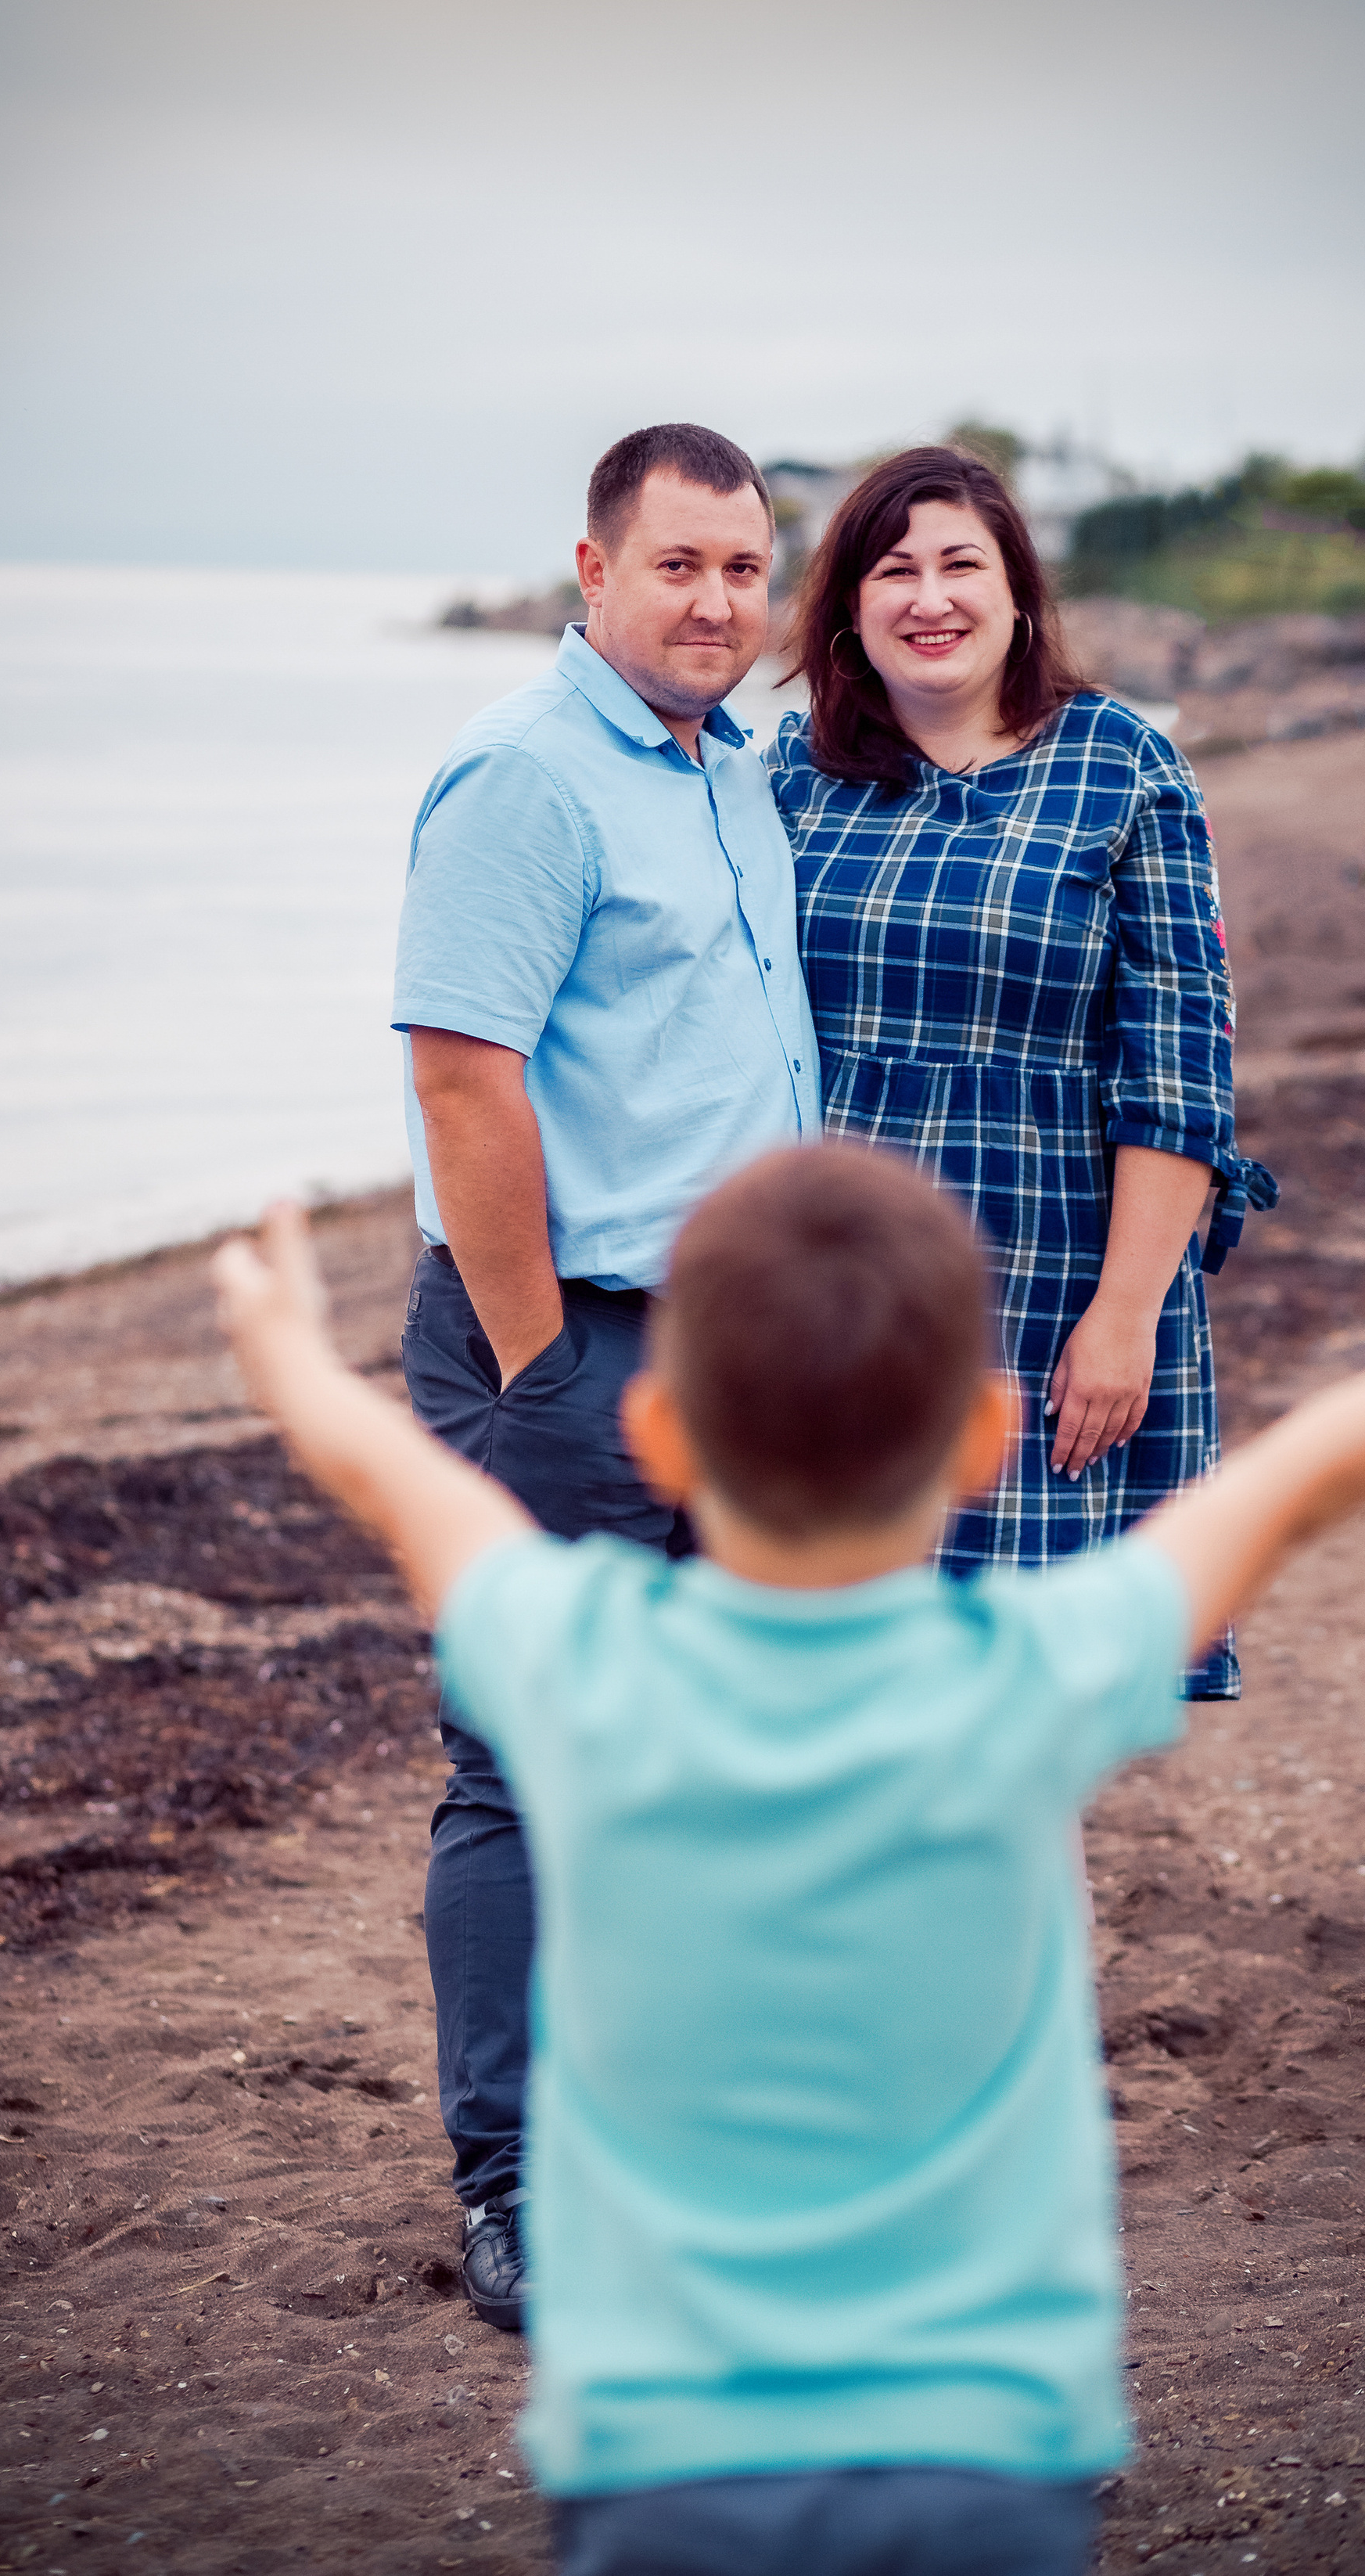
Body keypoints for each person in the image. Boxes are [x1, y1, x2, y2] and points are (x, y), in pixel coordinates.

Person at [214, 1146, 1365, 2576]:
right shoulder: (1031, 1678)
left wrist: (284, 1356)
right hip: (985, 2449)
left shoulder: (586, 1664)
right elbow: (1286, 1492)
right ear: (981, 1439)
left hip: (665, 2456)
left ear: (656, 1440)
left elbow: (405, 1490)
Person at [390, 423, 820, 2330]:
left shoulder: (730, 772)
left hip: (731, 1350)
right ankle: (512, 2193)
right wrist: (541, 1352)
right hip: (557, 1338)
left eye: (743, 568)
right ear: (591, 567)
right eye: (679, 566)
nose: (715, 601)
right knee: (524, 1770)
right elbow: (458, 1071)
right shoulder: (524, 777)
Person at [767, 445, 1275, 1696]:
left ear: (1018, 594)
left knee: (1016, 1699)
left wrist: (1126, 1316)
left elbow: (1178, 1067)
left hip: (1049, 1289)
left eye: (961, 566)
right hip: (832, 1292)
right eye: (894, 570)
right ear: (847, 609)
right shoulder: (787, 775)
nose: (929, 598)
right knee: (836, 1674)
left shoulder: (1123, 764)